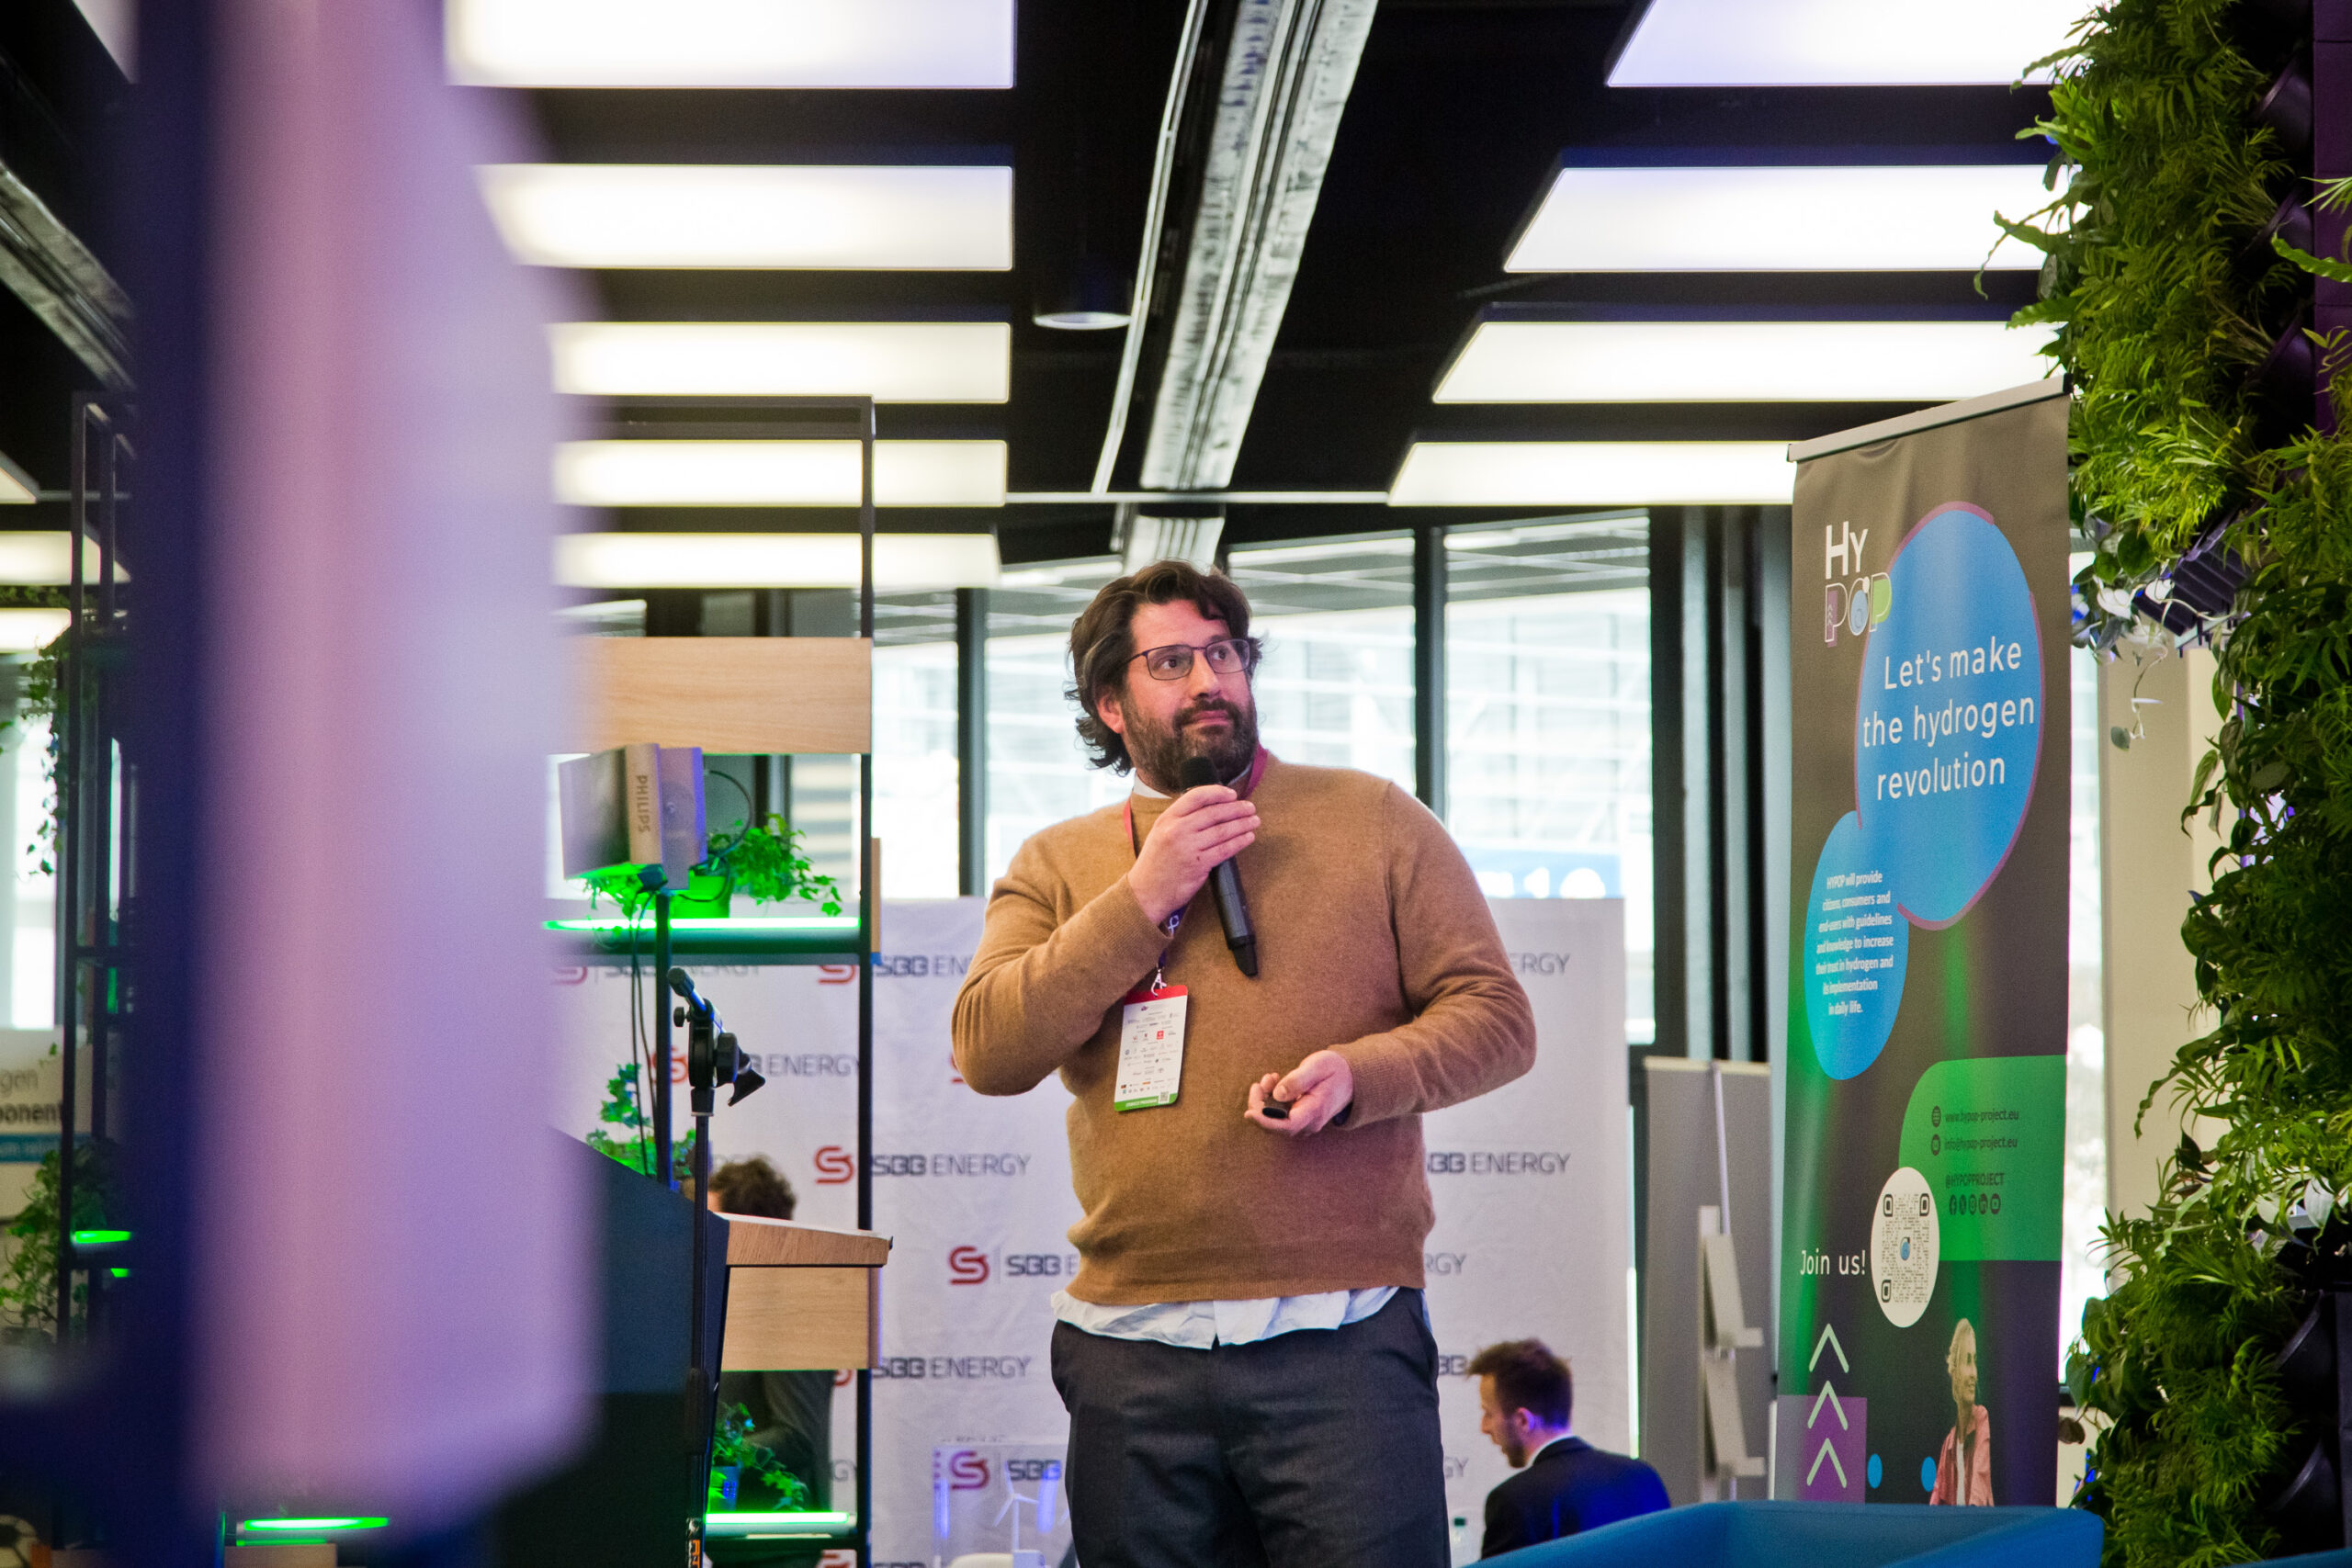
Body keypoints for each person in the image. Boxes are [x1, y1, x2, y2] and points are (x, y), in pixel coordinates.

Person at [951, 560, 1537, 1568]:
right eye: (1170, 662)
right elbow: (989, 1048)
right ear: (1110, 705)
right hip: (1130, 1352)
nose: (1208, 681)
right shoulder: (1056, 863)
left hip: (1342, 1344)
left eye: (1223, 654)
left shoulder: (1373, 819)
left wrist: (1359, 1076)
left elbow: (1498, 1018)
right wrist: (1143, 896)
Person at [704, 1157, 833, 1517]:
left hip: (775, 1530)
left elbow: (796, 1436)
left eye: (711, 1225)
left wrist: (707, 1457)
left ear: (749, 1233)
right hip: (727, 1526)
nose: (699, 1239)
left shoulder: (792, 1311)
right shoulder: (731, 1306)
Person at [1468, 1339, 1666, 1557]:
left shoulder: (1515, 1501)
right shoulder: (1644, 1477)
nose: (1484, 1427)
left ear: (1523, 1420)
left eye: (1488, 1414)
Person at [1928, 1317, 1992, 1505]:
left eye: (1975, 1361)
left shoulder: (1981, 1418)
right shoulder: (1949, 1444)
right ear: (1954, 1372)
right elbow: (1935, 1498)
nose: (1974, 1374)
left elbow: (1980, 1480)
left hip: (1978, 1522)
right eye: (1967, 1361)